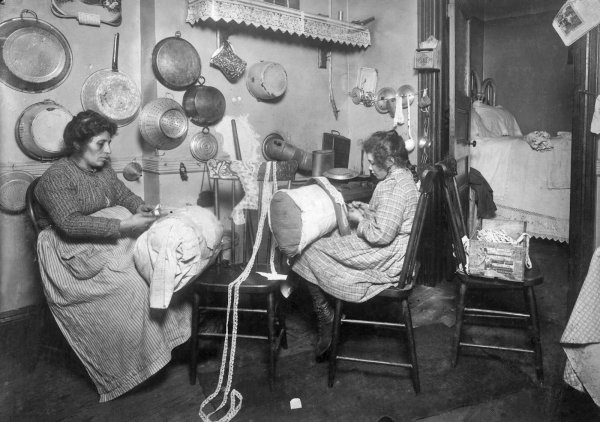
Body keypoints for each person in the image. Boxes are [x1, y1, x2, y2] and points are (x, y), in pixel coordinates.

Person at [34, 110, 192, 402]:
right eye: (100, 144)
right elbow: (69, 224)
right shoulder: (55, 177)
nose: (107, 151)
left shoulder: (102, 169)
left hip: (107, 239)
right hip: (71, 250)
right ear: (78, 144)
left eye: (108, 143)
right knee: (131, 286)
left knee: (156, 266)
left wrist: (143, 209)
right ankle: (132, 367)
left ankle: (167, 345)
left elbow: (123, 196)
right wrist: (123, 225)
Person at [292, 129, 419, 361]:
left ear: (390, 161)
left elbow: (382, 235)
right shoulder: (402, 179)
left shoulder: (395, 187)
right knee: (328, 240)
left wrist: (360, 220)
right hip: (393, 249)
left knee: (307, 249)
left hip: (388, 258)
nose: (370, 168)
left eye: (372, 163)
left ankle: (326, 314)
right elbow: (390, 217)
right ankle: (328, 311)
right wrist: (368, 210)